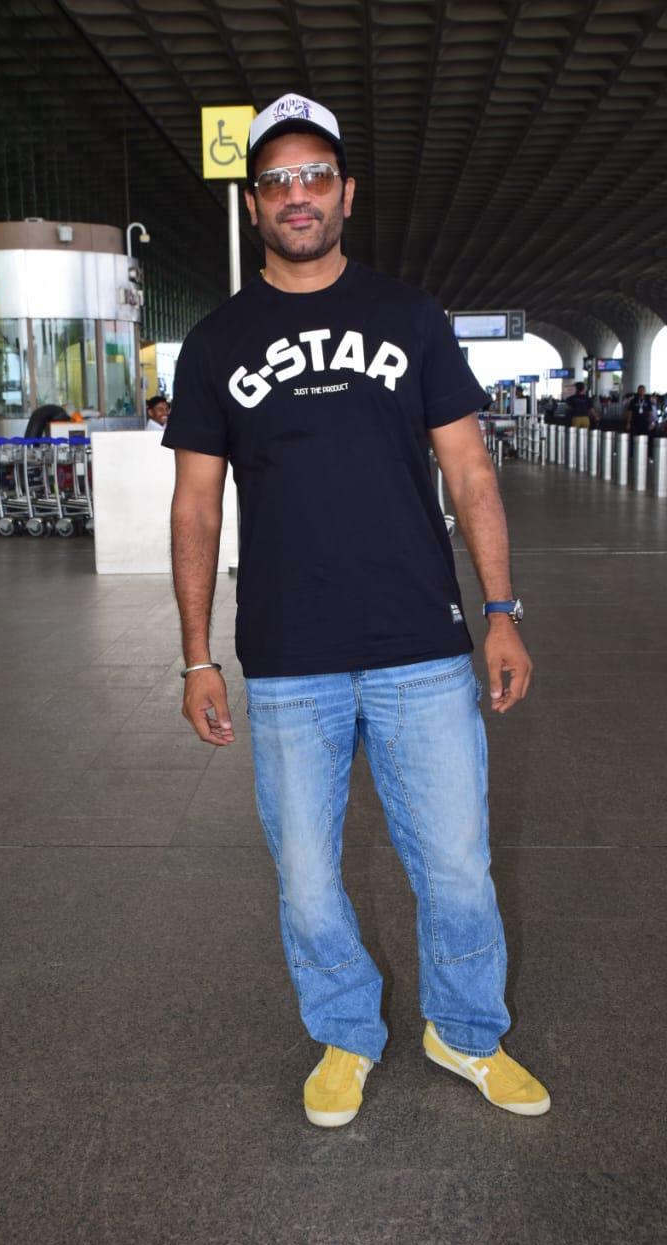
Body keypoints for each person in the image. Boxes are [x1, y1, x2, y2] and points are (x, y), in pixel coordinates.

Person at [164, 92, 550, 1128]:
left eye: (315, 177)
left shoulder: (410, 318)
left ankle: (466, 1031)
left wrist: (501, 610)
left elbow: (469, 474)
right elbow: (195, 503)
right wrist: (195, 655)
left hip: (421, 644)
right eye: (277, 181)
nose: (298, 195)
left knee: (458, 864)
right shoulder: (217, 340)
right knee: (303, 878)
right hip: (288, 655)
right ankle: (344, 1031)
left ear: (346, 195)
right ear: (255, 205)